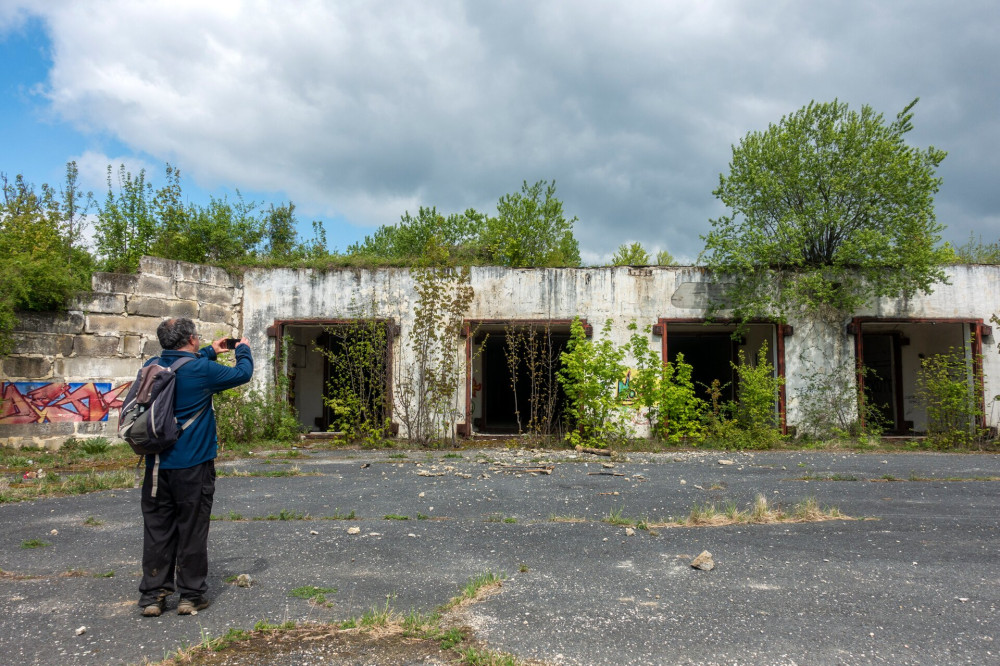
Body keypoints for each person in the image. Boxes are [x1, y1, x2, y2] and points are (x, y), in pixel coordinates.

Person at [138, 317, 253, 617]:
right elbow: (243, 374)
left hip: (156, 466)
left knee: (157, 530)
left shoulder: (152, 365)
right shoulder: (201, 371)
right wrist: (244, 350)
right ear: (190, 338)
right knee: (191, 529)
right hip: (193, 466)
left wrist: (210, 350)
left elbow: (181, 363)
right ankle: (190, 595)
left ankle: (153, 596)